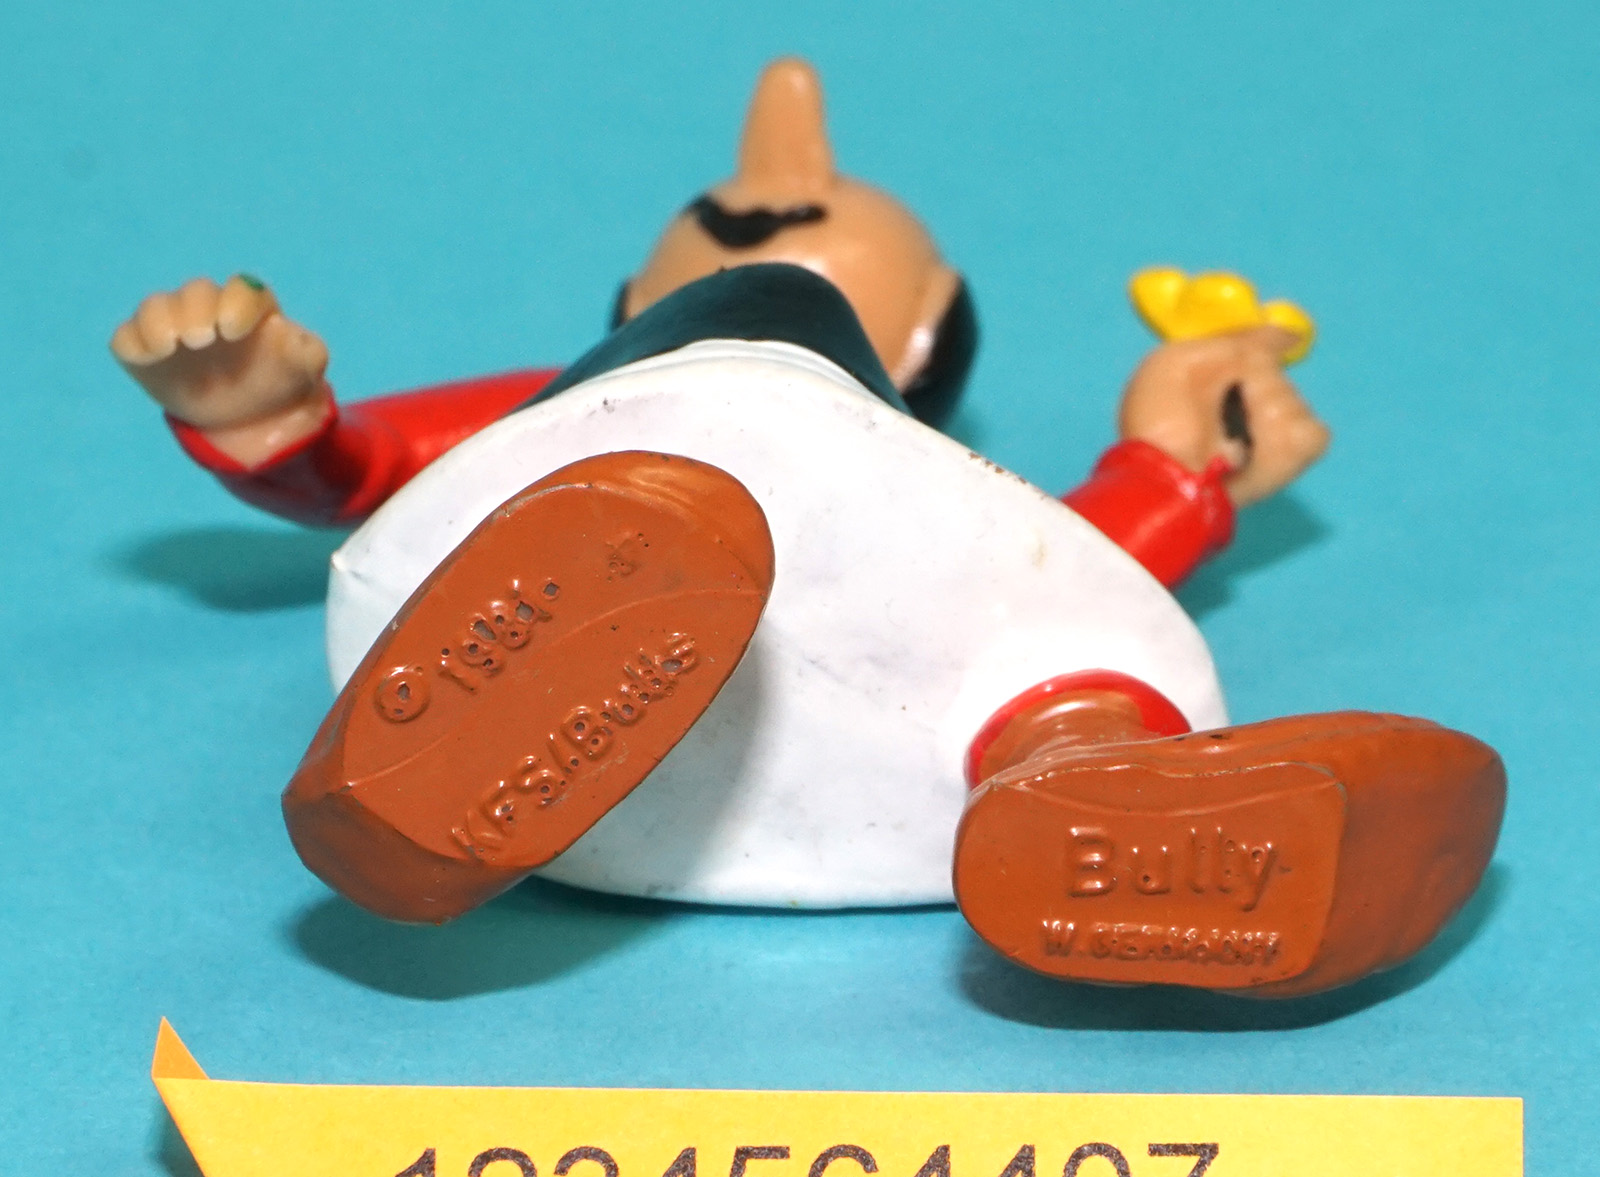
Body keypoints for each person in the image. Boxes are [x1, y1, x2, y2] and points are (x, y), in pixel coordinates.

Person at [110, 59, 1503, 998]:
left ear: (921, 338)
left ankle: (1085, 808)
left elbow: (1062, 567)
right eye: (717, 261)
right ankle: (547, 647)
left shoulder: (937, 501)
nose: (772, 280)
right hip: (582, 570)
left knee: (1049, 657)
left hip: (835, 730)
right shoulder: (565, 411)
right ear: (632, 303)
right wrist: (269, 421)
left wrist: (1178, 461)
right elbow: (364, 473)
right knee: (599, 502)